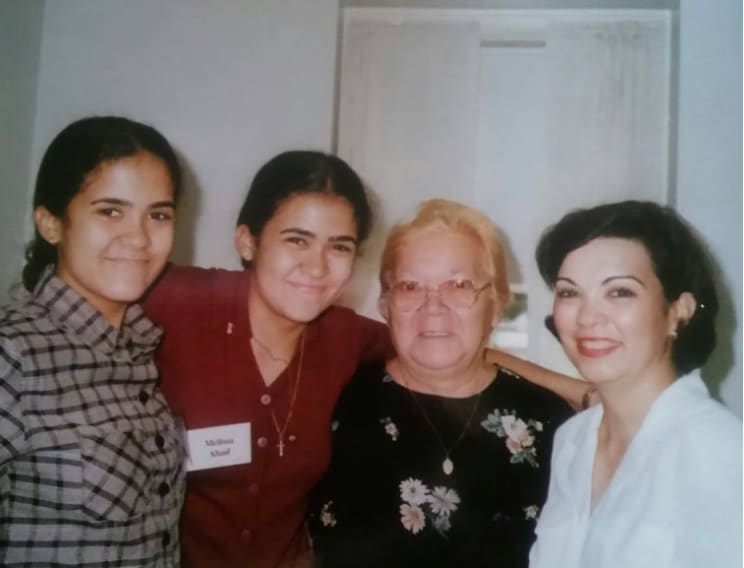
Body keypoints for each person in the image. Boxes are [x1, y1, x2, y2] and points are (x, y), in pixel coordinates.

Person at [143, 152, 587, 568]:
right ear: (247, 240)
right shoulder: (177, 302)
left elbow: (444, 341)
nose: (316, 266)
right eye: (297, 240)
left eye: (338, 246)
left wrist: (579, 390)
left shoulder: (343, 339)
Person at [307, 199, 574, 568]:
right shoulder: (335, 399)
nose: (433, 306)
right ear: (385, 304)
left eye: (459, 285)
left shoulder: (553, 425)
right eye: (410, 286)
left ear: (497, 303)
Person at [0, 116, 185, 566]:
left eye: (158, 214)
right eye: (110, 211)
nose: (140, 238)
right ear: (51, 223)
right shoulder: (14, 354)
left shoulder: (139, 348)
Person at [529, 200, 742, 568]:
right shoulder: (572, 441)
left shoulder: (718, 452)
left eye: (620, 292)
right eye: (569, 292)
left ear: (679, 310)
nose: (587, 316)